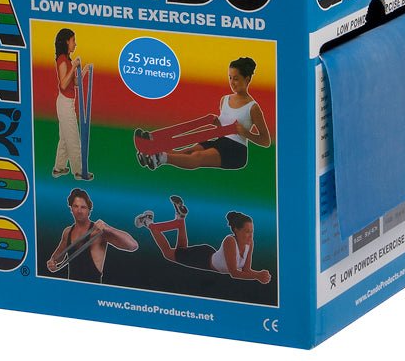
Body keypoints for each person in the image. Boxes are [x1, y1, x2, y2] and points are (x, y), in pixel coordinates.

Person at [139, 57, 270, 171]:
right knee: (187, 151)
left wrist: (245, 133)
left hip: (237, 151)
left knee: (197, 157)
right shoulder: (225, 100)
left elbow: (265, 141)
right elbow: (223, 129)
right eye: (230, 78)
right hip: (221, 141)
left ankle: (160, 158)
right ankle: (152, 150)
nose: (232, 82)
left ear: (247, 79)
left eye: (236, 78)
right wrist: (216, 123)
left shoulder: (253, 107)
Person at [134, 196, 271, 284]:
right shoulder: (230, 241)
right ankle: (148, 222)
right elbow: (234, 273)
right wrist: (257, 276)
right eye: (247, 232)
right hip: (202, 259)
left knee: (181, 250)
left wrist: (259, 273)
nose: (250, 235)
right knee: (168, 254)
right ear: (236, 230)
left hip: (207, 255)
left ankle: (179, 218)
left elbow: (246, 269)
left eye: (252, 232)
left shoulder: (250, 244)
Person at [47, 188, 138, 283]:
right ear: (71, 208)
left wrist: (108, 227)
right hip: (72, 286)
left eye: (83, 207)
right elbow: (58, 255)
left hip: (93, 288)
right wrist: (52, 262)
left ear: (89, 210)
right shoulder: (67, 231)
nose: (79, 211)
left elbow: (133, 245)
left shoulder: (99, 232)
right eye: (75, 206)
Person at [52, 28, 90, 180]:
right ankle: (80, 171)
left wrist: (84, 70)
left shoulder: (67, 60)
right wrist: (74, 66)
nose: (75, 44)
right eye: (73, 40)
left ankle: (59, 168)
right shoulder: (62, 59)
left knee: (64, 138)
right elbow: (63, 84)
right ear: (66, 41)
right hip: (65, 104)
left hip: (67, 102)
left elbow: (75, 83)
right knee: (73, 138)